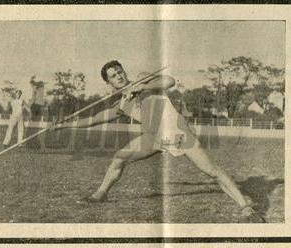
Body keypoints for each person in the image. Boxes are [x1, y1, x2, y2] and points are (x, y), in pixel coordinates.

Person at [52, 60, 265, 223]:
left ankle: (245, 206)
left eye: (119, 72)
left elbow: (169, 81)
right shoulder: (121, 105)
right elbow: (92, 120)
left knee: (211, 171)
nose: (118, 76)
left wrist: (141, 87)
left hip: (177, 132)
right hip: (154, 138)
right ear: (108, 83)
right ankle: (100, 195)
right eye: (113, 76)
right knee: (119, 158)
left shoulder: (143, 80)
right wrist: (64, 125)